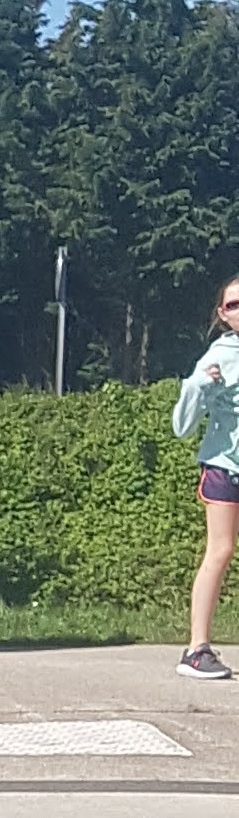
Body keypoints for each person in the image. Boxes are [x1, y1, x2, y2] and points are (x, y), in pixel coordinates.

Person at [175, 268, 239, 680]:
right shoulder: (218, 355)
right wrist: (197, 385)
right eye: (234, 304)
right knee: (220, 550)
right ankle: (196, 650)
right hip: (224, 467)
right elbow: (181, 426)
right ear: (223, 314)